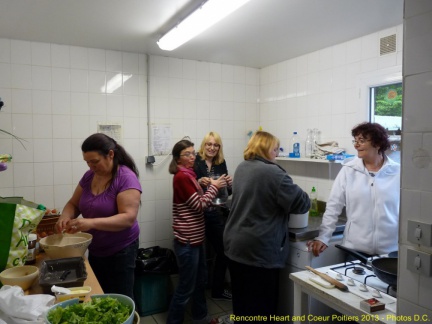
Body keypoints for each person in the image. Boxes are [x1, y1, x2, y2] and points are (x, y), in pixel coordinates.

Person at [223, 131, 310, 320]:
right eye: (275, 149)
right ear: (264, 148)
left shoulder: (243, 166)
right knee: (262, 308)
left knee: (243, 305)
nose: (277, 154)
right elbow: (302, 203)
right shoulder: (273, 172)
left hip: (235, 245)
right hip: (258, 250)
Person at [55, 133, 142, 300]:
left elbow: (128, 218)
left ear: (110, 155)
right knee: (99, 294)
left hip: (121, 251)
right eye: (87, 162)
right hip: (96, 249)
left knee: (120, 300)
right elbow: (73, 204)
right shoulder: (89, 176)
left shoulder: (125, 178)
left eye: (95, 161)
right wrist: (64, 217)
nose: (90, 167)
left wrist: (90, 223)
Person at [307, 122, 400, 257]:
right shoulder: (348, 170)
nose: (356, 145)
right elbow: (333, 206)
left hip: (390, 252)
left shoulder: (397, 172)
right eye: (355, 141)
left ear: (378, 144)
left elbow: (408, 211)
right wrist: (323, 237)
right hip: (355, 250)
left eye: (361, 141)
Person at [167, 139, 227, 324]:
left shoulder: (189, 174)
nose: (193, 157)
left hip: (195, 240)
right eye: (188, 154)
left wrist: (203, 184)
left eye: (193, 153)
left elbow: (194, 198)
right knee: (186, 288)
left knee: (200, 281)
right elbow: (200, 205)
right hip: (187, 241)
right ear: (178, 158)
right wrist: (214, 186)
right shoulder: (182, 177)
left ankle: (200, 317)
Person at [194, 131, 233, 301]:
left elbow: (225, 191)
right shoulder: (195, 161)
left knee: (223, 252)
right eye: (209, 144)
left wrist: (229, 185)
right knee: (198, 255)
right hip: (197, 214)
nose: (212, 148)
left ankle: (217, 289)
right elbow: (188, 185)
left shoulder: (221, 163)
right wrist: (199, 182)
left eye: (215, 145)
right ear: (203, 146)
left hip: (216, 213)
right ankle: (198, 294)